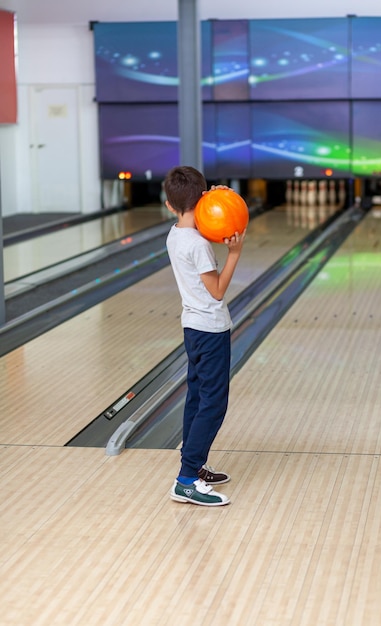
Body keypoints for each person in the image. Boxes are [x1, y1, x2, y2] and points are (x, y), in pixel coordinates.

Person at [163, 165, 246, 507]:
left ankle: (193, 465)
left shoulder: (175, 234)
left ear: (170, 206)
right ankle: (185, 480)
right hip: (210, 329)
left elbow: (196, 219)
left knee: (197, 397)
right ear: (199, 203)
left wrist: (213, 199)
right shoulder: (198, 245)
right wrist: (235, 254)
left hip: (192, 327)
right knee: (213, 404)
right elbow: (216, 292)